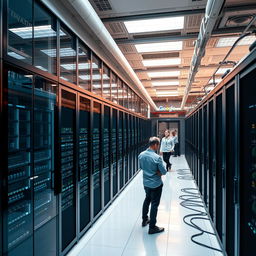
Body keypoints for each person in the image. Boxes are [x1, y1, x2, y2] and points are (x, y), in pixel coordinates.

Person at [138, 137, 167, 234]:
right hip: (156, 184)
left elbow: (141, 167)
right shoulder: (157, 157)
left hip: (146, 183)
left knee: (147, 199)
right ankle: (152, 227)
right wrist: (157, 172)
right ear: (155, 145)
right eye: (158, 145)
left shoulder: (141, 155)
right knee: (154, 204)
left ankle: (144, 219)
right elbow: (164, 171)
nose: (158, 147)